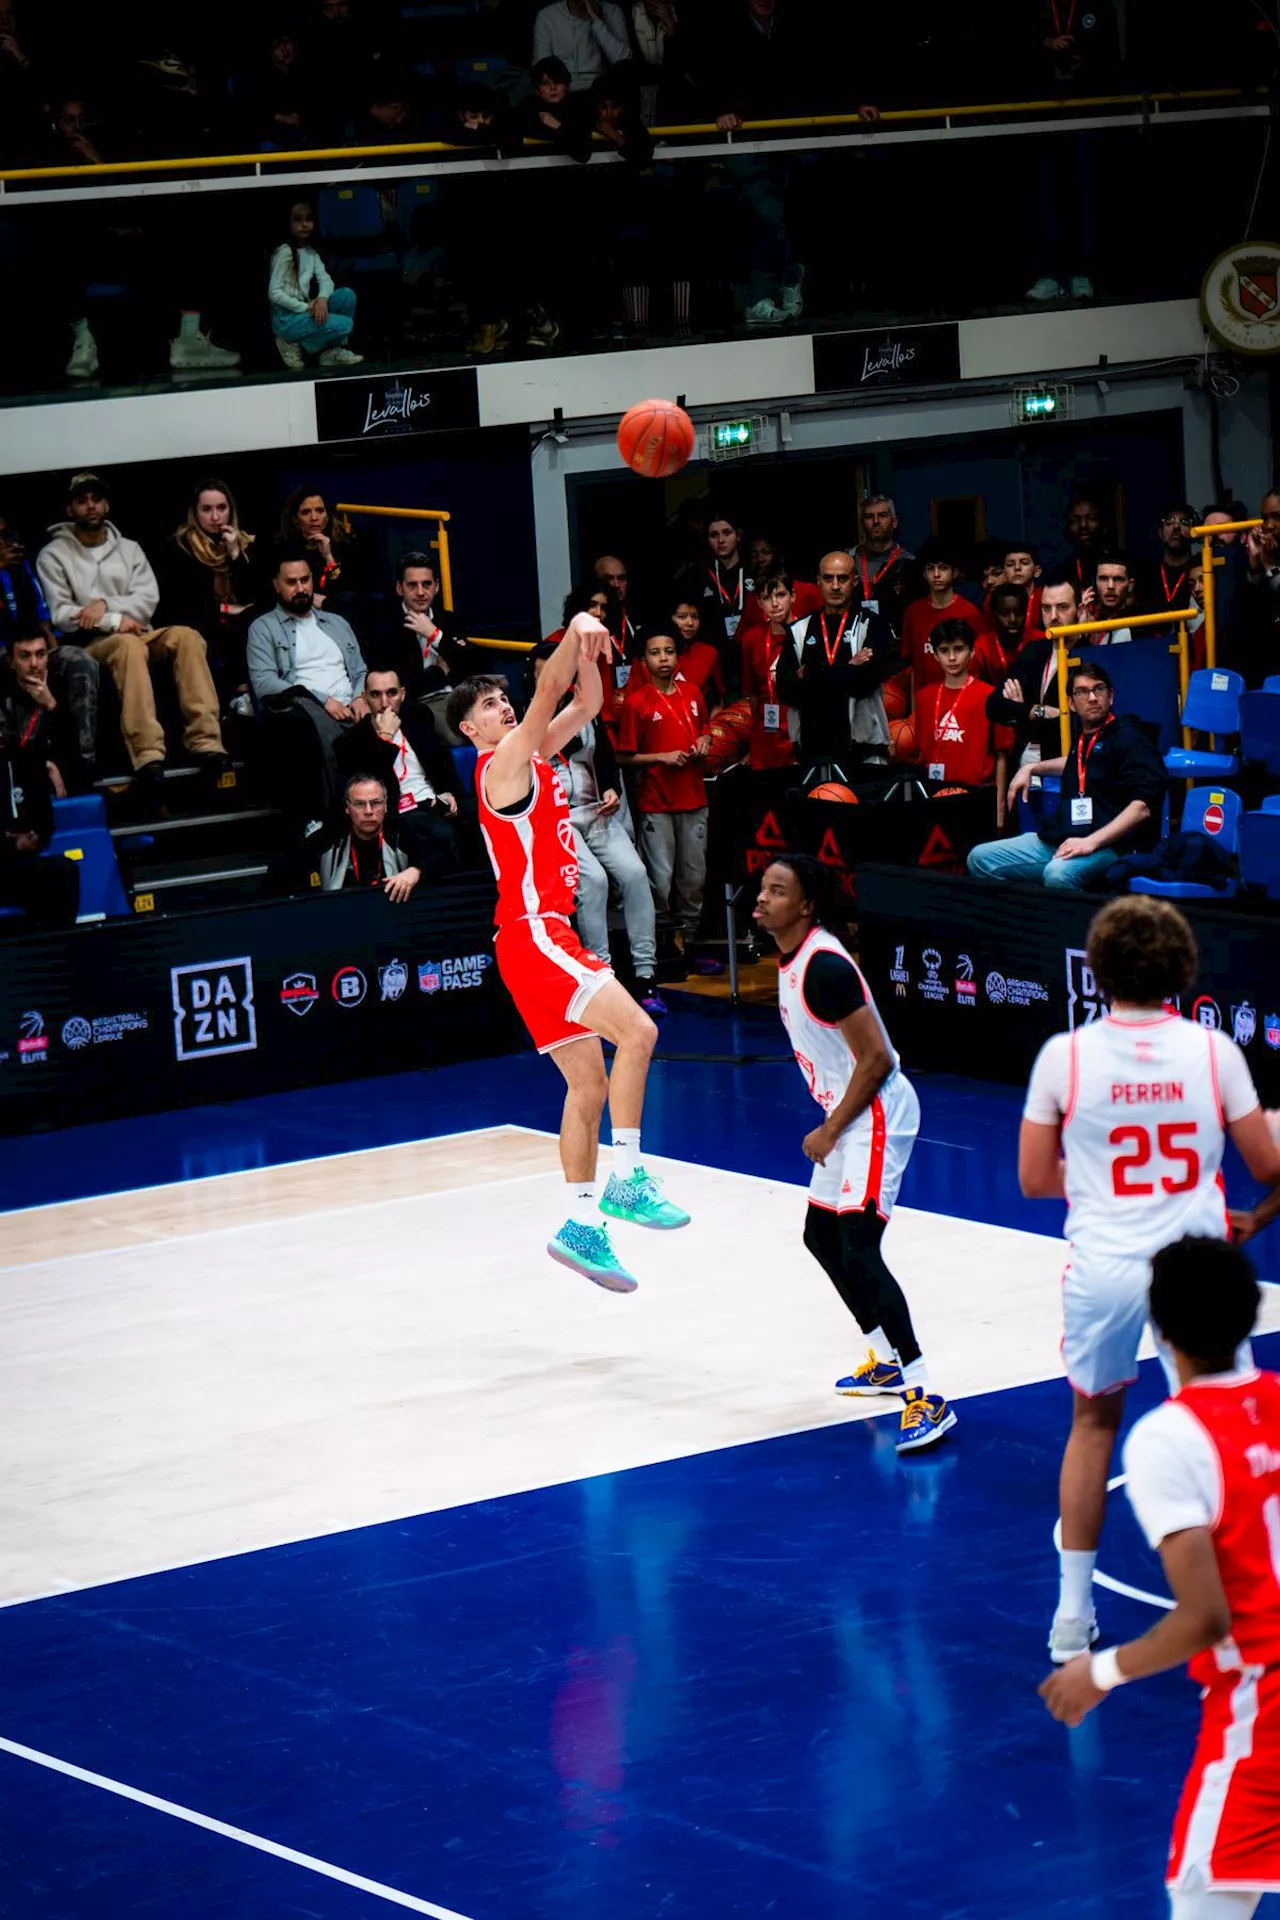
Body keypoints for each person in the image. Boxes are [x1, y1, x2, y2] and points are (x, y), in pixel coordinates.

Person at [1019, 897, 1280, 1663]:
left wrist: (1103, 1175)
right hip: (1195, 1264)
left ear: (1095, 971)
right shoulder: (1212, 1053)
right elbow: (1265, 1167)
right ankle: (1248, 1592)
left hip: (1102, 1265)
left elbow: (1036, 1179)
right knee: (1228, 1425)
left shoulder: (1062, 1057)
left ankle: (1071, 1619)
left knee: (1093, 1425)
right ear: (1182, 970)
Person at [447, 617, 690, 1296]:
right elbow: (551, 690)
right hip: (537, 933)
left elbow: (583, 702)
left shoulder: (535, 754)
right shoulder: (503, 763)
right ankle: (630, 1177)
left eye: (503, 700)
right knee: (640, 1031)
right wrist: (574, 631)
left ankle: (582, 1224)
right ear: (472, 729)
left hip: (531, 942)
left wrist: (589, 652)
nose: (503, 707)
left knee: (587, 1087)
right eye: (489, 705)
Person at [1040, 1236, 1280, 1920]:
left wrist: (1099, 1672)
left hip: (1261, 1713)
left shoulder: (1170, 1437)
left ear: (1160, 1329)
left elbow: (1207, 1617)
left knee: (1202, 1893)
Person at [753, 852, 955, 1453]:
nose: (762, 898)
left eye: (777, 890)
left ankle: (924, 1390)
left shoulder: (825, 969)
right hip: (849, 1114)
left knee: (860, 1247)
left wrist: (829, 1129)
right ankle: (887, 1357)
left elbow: (878, 1060)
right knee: (822, 1237)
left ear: (807, 906)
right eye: (763, 888)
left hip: (877, 1112)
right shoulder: (791, 960)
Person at [36, 472, 228, 785]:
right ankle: (147, 753)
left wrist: (103, 606)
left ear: (107, 504)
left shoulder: (129, 549)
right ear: (70, 509)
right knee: (128, 645)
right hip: (90, 643)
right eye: (82, 501)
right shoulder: (54, 554)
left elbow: (147, 599)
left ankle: (206, 741)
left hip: (139, 630)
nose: (91, 507)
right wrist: (112, 621)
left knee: (187, 637)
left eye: (96, 499)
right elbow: (62, 614)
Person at [530, 642, 662, 1013]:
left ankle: (645, 975)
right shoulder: (527, 719)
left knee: (635, 874)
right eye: (545, 673)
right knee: (594, 882)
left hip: (597, 812)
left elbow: (605, 759)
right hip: (559, 822)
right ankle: (601, 974)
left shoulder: (585, 709)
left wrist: (610, 788)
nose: (554, 680)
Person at [967, 661, 1165, 890]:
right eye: (1082, 692)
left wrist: (1091, 842)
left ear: (1110, 697)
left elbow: (1142, 807)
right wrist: (1031, 768)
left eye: (1098, 689)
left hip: (1111, 845)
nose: (1092, 698)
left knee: (1057, 873)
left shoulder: (1128, 735)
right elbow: (1077, 762)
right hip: (1064, 837)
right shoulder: (1084, 738)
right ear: (1071, 703)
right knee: (980, 858)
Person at [616, 630, 713, 964]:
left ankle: (691, 946)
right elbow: (623, 757)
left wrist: (705, 741)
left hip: (695, 799)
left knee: (694, 880)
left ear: (678, 657)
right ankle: (661, 952)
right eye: (655, 653)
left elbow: (703, 731)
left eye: (669, 652)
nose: (663, 659)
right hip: (657, 803)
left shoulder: (693, 693)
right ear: (644, 662)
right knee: (660, 880)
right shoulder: (636, 702)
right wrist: (662, 757)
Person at [247, 550, 369, 813]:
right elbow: (264, 682)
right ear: (276, 586)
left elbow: (359, 670)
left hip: (352, 703)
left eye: (305, 580)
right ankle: (328, 816)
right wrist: (322, 700)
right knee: (302, 727)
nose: (301, 588)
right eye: (291, 582)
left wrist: (360, 697)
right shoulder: (263, 627)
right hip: (306, 707)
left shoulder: (337, 622)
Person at [776, 550, 895, 784]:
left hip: (863, 753)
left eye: (842, 578)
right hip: (812, 754)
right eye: (828, 578)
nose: (835, 585)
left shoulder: (873, 625)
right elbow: (785, 690)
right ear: (818, 581)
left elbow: (864, 682)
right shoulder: (799, 630)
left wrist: (810, 674)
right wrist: (848, 668)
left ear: (855, 581)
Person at [0, 511, 101, 776]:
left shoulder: (20, 566)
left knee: (80, 660)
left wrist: (50, 650)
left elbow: (43, 616)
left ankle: (85, 757)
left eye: (6, 534)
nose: (6, 542)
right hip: (3, 651)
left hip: (30, 645)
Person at [335, 665, 460, 877]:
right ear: (364, 697)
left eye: (391, 693)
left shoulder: (418, 718)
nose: (385, 703)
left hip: (433, 802)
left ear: (402, 694)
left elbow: (442, 763)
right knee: (432, 831)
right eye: (376, 695)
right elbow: (369, 786)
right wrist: (384, 737)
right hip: (395, 813)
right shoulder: (350, 742)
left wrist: (447, 791)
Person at [160, 477, 261, 697]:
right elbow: (182, 603)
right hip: (201, 622)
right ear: (195, 512)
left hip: (240, 620)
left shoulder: (245, 543)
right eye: (206, 509)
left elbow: (253, 593)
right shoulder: (181, 546)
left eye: (222, 508)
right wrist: (226, 610)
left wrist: (235, 553)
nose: (215, 517)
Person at [912, 620, 1012, 819]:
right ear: (934, 655)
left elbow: (1002, 755)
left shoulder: (991, 696)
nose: (951, 657)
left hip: (977, 793)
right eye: (944, 650)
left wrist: (1000, 806)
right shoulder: (924, 697)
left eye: (959, 649)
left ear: (972, 652)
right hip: (933, 789)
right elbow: (920, 750)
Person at [0, 700, 79, 928]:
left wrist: (36, 835)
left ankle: (59, 949)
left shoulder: (25, 764)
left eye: (3, 728)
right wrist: (11, 844)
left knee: (63, 870)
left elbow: (46, 820)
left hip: (19, 866)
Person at [986, 576, 1068, 771]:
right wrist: (1037, 711)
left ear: (1080, 609)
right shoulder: (1034, 650)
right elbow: (994, 706)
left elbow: (1077, 723)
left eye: (1062, 607)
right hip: (1024, 765)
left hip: (1065, 766)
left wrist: (1022, 711)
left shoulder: (1087, 656)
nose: (1053, 616)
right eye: (1047, 608)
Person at [269, 199, 362, 371]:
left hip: (303, 312)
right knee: (346, 324)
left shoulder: (310, 252)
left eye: (308, 219)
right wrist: (305, 307)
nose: (305, 224)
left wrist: (322, 299)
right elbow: (274, 293)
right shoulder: (285, 252)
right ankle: (290, 344)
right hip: (287, 318)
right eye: (298, 219)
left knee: (347, 296)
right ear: (288, 223)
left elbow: (326, 280)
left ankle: (330, 352)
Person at [900, 537, 998, 690]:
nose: (936, 574)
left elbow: (983, 665)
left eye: (943, 568)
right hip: (925, 699)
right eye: (930, 568)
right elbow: (913, 666)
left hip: (961, 699)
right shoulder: (913, 612)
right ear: (924, 574)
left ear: (955, 572)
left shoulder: (970, 613)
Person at [369, 550, 469, 699]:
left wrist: (435, 635)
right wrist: (440, 673)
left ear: (436, 587)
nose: (421, 592)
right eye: (412, 585)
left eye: (427, 584)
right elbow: (399, 689)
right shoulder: (385, 628)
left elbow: (470, 667)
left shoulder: (448, 620)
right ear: (399, 588)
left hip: (459, 698)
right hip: (418, 706)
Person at [1, 632, 89, 795]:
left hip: (62, 785)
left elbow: (78, 749)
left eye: (40, 654)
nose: (34, 664)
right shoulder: (4, 695)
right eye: (25, 656)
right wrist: (42, 765)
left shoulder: (64, 688)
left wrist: (51, 705)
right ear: (11, 662)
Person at [314, 772, 423, 898]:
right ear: (347, 807)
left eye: (376, 803)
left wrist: (416, 870)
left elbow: (444, 850)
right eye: (359, 804)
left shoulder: (403, 833)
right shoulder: (329, 839)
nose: (368, 811)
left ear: (385, 805)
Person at [740, 569, 799, 772]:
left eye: (781, 595)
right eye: (767, 597)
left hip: (801, 734)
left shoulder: (809, 633)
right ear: (759, 602)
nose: (774, 604)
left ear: (793, 596)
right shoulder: (752, 639)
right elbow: (753, 693)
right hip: (767, 735)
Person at [278, 484, 364, 617]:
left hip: (335, 615)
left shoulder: (345, 545)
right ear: (295, 518)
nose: (314, 518)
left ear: (327, 515)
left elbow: (351, 594)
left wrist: (328, 557)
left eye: (319, 510)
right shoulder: (285, 549)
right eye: (306, 512)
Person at [629, 599, 724, 708]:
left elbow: (718, 699)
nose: (690, 623)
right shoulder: (646, 655)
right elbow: (632, 703)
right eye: (682, 617)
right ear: (670, 618)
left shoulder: (709, 653)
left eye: (695, 617)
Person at [849, 494, 918, 638]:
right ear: (863, 523)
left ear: (894, 522)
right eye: (869, 517)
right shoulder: (848, 560)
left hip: (896, 645)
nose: (875, 521)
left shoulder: (909, 563)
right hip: (854, 641)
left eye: (882, 515)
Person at [531, 0, 631, 92]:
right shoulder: (547, 16)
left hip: (599, 91)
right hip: (561, 92)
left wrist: (596, 20)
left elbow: (624, 63)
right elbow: (541, 70)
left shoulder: (612, 12)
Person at [1151, 503, 1197, 617]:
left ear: (1193, 531)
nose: (1176, 527)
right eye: (1169, 522)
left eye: (1184, 522)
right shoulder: (1148, 573)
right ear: (1160, 532)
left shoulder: (1199, 570)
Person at [1087, 551, 1140, 637]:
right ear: (1095, 583)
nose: (1110, 586)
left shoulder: (1142, 623)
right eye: (1103, 579)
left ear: (1130, 585)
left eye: (1118, 579)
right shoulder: (1086, 620)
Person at [1061, 494, 1107, 592]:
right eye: (1075, 520)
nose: (1083, 525)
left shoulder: (1122, 565)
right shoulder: (1061, 574)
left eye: (1091, 518)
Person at [1002, 541, 1044, 630]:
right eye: (1010, 564)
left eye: (1024, 563)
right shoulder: (995, 600)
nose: (1017, 568)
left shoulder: (1046, 597)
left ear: (1037, 571)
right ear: (1004, 573)